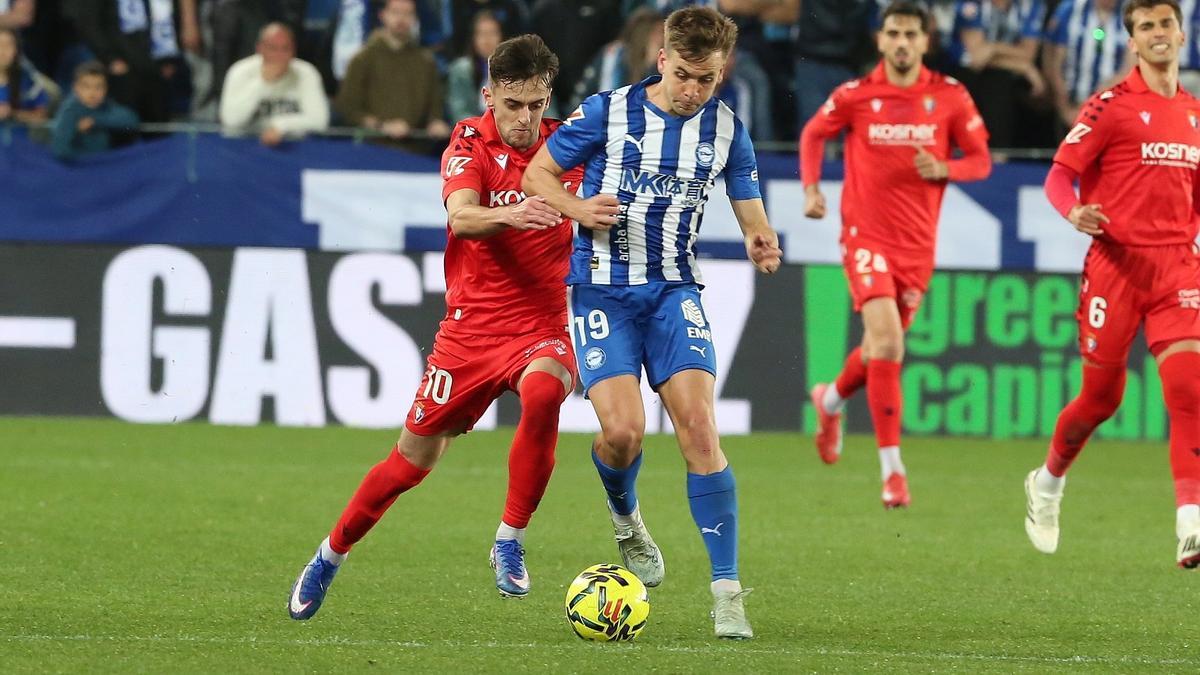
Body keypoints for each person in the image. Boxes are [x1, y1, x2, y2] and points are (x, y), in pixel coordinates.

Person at [288, 34, 584, 619]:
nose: (524, 119)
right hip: (469, 332)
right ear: (489, 96)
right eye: (513, 105)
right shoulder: (469, 141)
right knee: (408, 465)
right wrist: (515, 213)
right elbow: (462, 217)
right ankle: (330, 553)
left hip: (539, 322)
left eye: (535, 105)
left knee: (546, 389)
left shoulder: (568, 146)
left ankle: (510, 538)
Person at [522, 5, 782, 639]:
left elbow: (749, 206)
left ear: (722, 72)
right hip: (602, 293)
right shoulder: (607, 111)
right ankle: (627, 519)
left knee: (699, 429)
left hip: (672, 293)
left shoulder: (727, 129)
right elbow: (538, 173)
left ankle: (727, 593)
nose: (693, 90)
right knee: (623, 434)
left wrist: (759, 237)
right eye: (684, 75)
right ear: (661, 60)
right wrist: (578, 207)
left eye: (707, 79)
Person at [1024, 0, 1200, 569]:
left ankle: (1191, 522)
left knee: (1189, 389)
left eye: (1165, 23)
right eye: (1146, 26)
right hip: (1116, 269)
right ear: (1132, 41)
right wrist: (1073, 211)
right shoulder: (1110, 106)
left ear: (1182, 33)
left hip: (1177, 269)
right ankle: (1047, 483)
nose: (1158, 33)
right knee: (1102, 400)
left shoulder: (1195, 113)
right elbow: (1059, 175)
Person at [800, 1, 992, 508]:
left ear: (925, 41)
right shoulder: (856, 94)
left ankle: (830, 399)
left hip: (917, 246)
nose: (902, 42)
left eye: (911, 34)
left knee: (879, 350)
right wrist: (811, 189)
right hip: (865, 236)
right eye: (894, 33)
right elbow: (814, 133)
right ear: (880, 40)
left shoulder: (950, 96)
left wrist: (947, 168)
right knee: (887, 341)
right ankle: (893, 472)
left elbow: (980, 161)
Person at [334, 0, 450, 153]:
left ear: (415, 19)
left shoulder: (426, 62)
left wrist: (435, 123)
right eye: (395, 12)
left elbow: (435, 107)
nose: (401, 19)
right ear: (382, 15)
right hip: (372, 148)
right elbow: (348, 107)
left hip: (416, 152)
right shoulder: (363, 59)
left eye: (408, 13)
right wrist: (381, 126)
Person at [218, 22, 329, 147]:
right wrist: (263, 83)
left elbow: (320, 121)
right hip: (245, 145)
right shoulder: (240, 71)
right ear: (259, 49)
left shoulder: (306, 73)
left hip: (294, 146)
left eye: (285, 49)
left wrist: (280, 126)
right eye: (272, 48)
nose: (279, 55)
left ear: (294, 50)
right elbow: (231, 121)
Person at [50, 60, 139, 160]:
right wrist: (76, 131)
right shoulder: (70, 110)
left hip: (105, 162)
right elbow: (60, 149)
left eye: (98, 87)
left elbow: (131, 120)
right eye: (86, 87)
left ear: (106, 89)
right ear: (76, 88)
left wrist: (95, 121)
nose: (92, 93)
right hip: (81, 164)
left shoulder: (106, 105)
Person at [0, 26, 50, 123]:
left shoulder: (27, 79)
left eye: (8, 45)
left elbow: (41, 117)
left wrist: (11, 113)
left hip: (18, 131)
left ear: (16, 50)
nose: (2, 51)